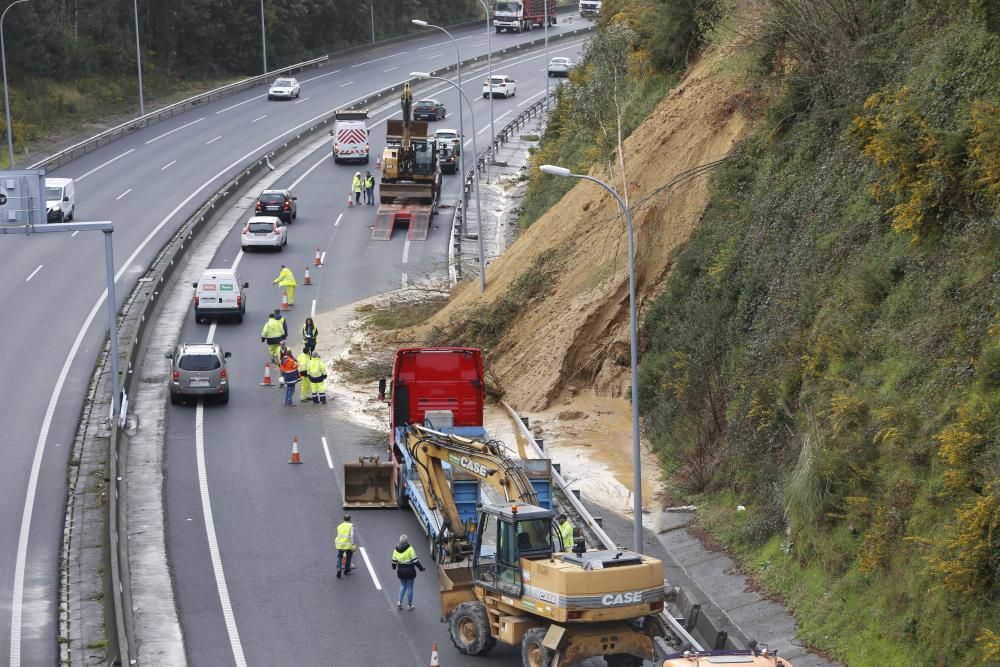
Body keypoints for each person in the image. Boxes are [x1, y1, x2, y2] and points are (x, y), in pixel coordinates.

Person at [391, 534, 425, 610]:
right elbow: (415, 561)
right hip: (410, 571)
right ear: (407, 541)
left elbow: (394, 560)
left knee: (403, 585)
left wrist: (394, 567)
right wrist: (421, 568)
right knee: (409, 587)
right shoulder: (410, 549)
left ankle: (399, 602)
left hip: (400, 571)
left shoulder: (396, 549)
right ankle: (409, 605)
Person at [335, 514, 356, 578]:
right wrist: (353, 544)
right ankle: (346, 570)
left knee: (339, 556)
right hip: (348, 545)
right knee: (348, 557)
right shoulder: (351, 526)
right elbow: (352, 535)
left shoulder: (339, 526)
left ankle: (339, 568)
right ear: (350, 519)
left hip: (340, 543)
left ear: (343, 519)